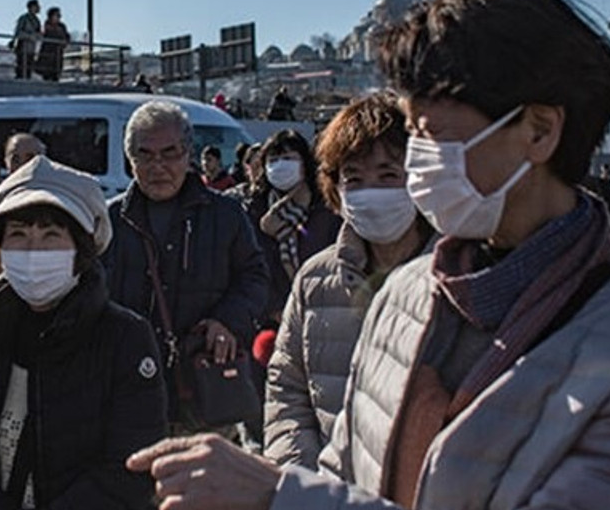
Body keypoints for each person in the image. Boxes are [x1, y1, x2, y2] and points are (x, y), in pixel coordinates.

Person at [128, 0, 610, 509]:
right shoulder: (408, 292)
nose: (416, 163)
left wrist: (278, 497)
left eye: (433, 135)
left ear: (538, 131)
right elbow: (343, 473)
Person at [0, 156, 167, 509]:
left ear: (81, 249)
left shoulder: (125, 337)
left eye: (51, 235)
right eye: (18, 235)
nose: (33, 250)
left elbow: (131, 464)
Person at [263, 92, 435, 469]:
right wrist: (301, 480)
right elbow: (287, 390)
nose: (370, 191)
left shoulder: (458, 275)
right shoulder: (315, 279)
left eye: (388, 175)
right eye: (354, 178)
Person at [101, 100, 269, 431]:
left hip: (203, 385)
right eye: (145, 154)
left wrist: (227, 321)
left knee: (204, 480)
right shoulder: (109, 220)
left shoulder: (226, 214)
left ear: (188, 153)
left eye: (170, 153)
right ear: (129, 158)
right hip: (127, 389)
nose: (157, 165)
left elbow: (255, 277)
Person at [245, 130, 340, 322]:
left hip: (320, 313)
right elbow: (249, 268)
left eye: (288, 158)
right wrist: (273, 308)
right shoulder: (254, 209)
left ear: (305, 164)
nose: (280, 165)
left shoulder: (326, 208)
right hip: (268, 319)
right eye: (273, 160)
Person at [35, 7, 69, 82]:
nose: (59, 17)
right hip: (48, 54)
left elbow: (66, 37)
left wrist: (64, 43)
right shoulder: (47, 25)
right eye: (57, 15)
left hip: (58, 53)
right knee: (47, 73)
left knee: (56, 73)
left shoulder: (62, 26)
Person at [13, 0, 41, 80]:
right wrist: (29, 36)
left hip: (32, 48)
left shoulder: (37, 21)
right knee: (21, 68)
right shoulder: (24, 18)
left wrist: (37, 36)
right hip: (23, 47)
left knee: (29, 69)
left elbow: (39, 33)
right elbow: (18, 32)